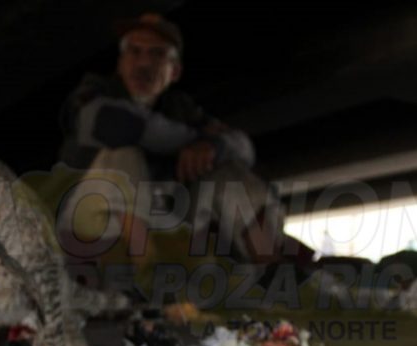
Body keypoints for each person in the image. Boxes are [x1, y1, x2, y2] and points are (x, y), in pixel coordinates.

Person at [58, 13, 290, 266]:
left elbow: (242, 147)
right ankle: (147, 279)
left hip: (162, 230)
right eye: (134, 51)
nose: (144, 63)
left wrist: (213, 147)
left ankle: (273, 272)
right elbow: (111, 124)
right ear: (121, 62)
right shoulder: (95, 92)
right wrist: (191, 143)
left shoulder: (180, 108)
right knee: (123, 156)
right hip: (89, 231)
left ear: (175, 71)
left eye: (157, 54)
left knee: (229, 173)